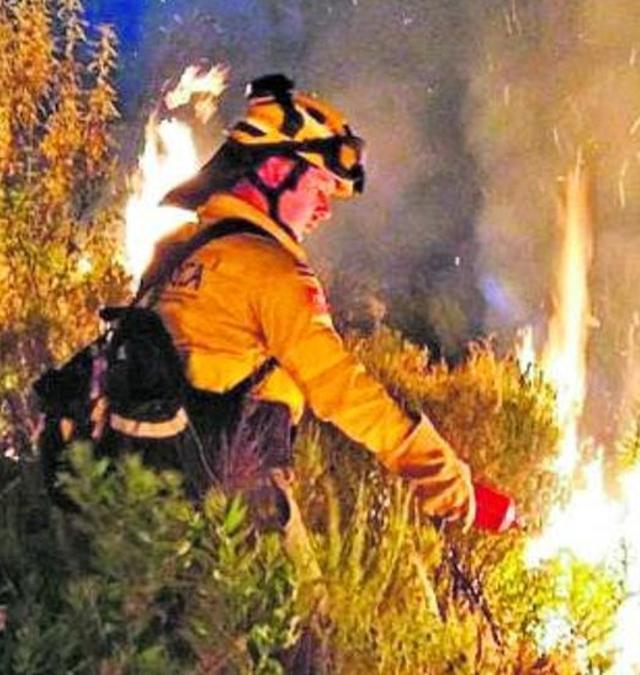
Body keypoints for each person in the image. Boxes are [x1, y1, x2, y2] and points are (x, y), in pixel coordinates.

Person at [139, 74, 475, 535]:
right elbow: (336, 385)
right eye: (319, 188)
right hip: (232, 502)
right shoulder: (269, 267)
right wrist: (436, 470)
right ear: (276, 170)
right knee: (303, 608)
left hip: (135, 494)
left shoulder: (179, 246)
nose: (325, 209)